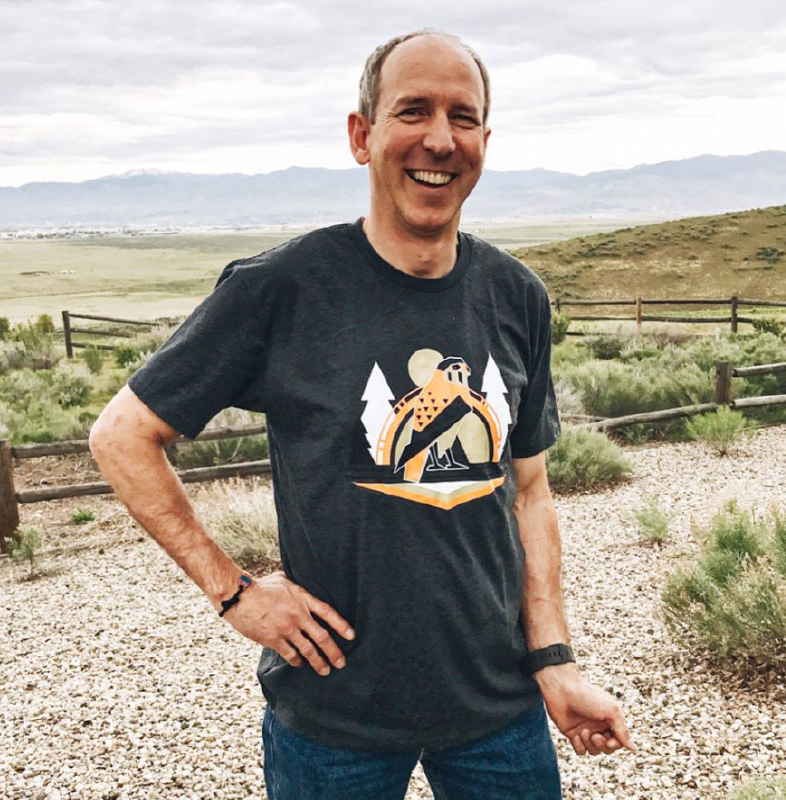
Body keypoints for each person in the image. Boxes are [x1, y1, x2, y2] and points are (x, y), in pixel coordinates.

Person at [89, 28, 635, 800]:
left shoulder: (517, 297)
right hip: (332, 719)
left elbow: (531, 493)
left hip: (499, 710)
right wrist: (236, 593)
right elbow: (122, 436)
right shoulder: (282, 289)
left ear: (484, 138)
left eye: (463, 116)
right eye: (413, 111)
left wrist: (555, 662)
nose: (440, 140)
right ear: (362, 135)